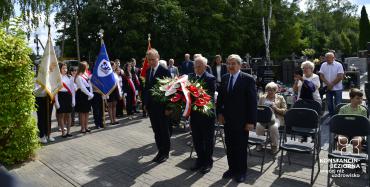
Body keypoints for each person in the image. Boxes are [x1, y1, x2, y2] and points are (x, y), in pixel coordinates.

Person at [216, 54, 257, 183]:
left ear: (239, 65)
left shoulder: (248, 79)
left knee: (240, 147)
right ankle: (232, 169)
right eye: (229, 63)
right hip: (228, 120)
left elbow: (252, 102)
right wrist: (220, 114)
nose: (231, 66)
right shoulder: (224, 78)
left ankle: (241, 171)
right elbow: (221, 99)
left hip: (242, 121)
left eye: (233, 63)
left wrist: (251, 121)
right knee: (230, 146)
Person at [143, 48, 172, 163]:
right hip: (151, 107)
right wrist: (145, 103)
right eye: (149, 60)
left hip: (162, 108)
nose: (150, 62)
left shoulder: (164, 71)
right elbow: (146, 89)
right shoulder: (148, 71)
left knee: (164, 131)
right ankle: (160, 151)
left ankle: (165, 153)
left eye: (152, 59)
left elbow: (171, 90)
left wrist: (169, 107)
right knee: (156, 131)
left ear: (158, 58)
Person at [188, 56, 216, 174]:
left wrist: (195, 93)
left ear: (205, 66)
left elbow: (208, 97)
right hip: (194, 115)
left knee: (208, 140)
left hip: (206, 115)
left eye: (199, 66)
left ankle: (208, 162)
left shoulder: (210, 78)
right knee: (197, 139)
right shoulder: (190, 77)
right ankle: (199, 160)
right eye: (195, 66)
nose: (197, 68)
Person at [256, 82, 287, 154]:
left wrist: (276, 108)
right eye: (268, 90)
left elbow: (285, 111)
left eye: (272, 90)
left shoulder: (280, 98)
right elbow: (258, 108)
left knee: (273, 127)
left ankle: (274, 145)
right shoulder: (262, 97)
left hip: (276, 118)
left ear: (275, 90)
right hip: (264, 118)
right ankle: (260, 143)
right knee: (258, 125)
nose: (270, 92)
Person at [337, 88, 367, 154]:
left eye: (361, 98)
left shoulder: (363, 110)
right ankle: (342, 159)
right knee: (342, 140)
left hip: (358, 132)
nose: (360, 100)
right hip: (345, 131)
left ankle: (357, 160)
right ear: (351, 98)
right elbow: (339, 122)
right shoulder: (343, 109)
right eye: (358, 98)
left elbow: (364, 124)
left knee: (356, 141)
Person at [54, 62, 75, 137]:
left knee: (69, 115)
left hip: (68, 96)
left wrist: (73, 100)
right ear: (60, 69)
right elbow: (55, 91)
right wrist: (56, 102)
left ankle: (68, 132)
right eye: (63, 68)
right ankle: (63, 132)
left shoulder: (70, 77)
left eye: (66, 68)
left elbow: (72, 89)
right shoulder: (57, 78)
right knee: (61, 115)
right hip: (60, 96)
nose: (65, 70)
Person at [75, 61, 94, 133]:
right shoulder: (78, 76)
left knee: (87, 112)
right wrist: (90, 94)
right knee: (83, 113)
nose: (87, 66)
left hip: (88, 95)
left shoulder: (86, 74)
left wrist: (91, 93)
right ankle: (82, 128)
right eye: (86, 65)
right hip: (82, 95)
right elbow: (82, 88)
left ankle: (86, 127)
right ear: (83, 67)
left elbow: (89, 84)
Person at [107, 61, 122, 125]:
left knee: (114, 105)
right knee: (110, 106)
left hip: (115, 90)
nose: (114, 66)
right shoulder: (107, 73)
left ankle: (114, 119)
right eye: (113, 65)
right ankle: (111, 121)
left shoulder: (115, 73)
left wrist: (120, 92)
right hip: (110, 91)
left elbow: (118, 84)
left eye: (115, 66)